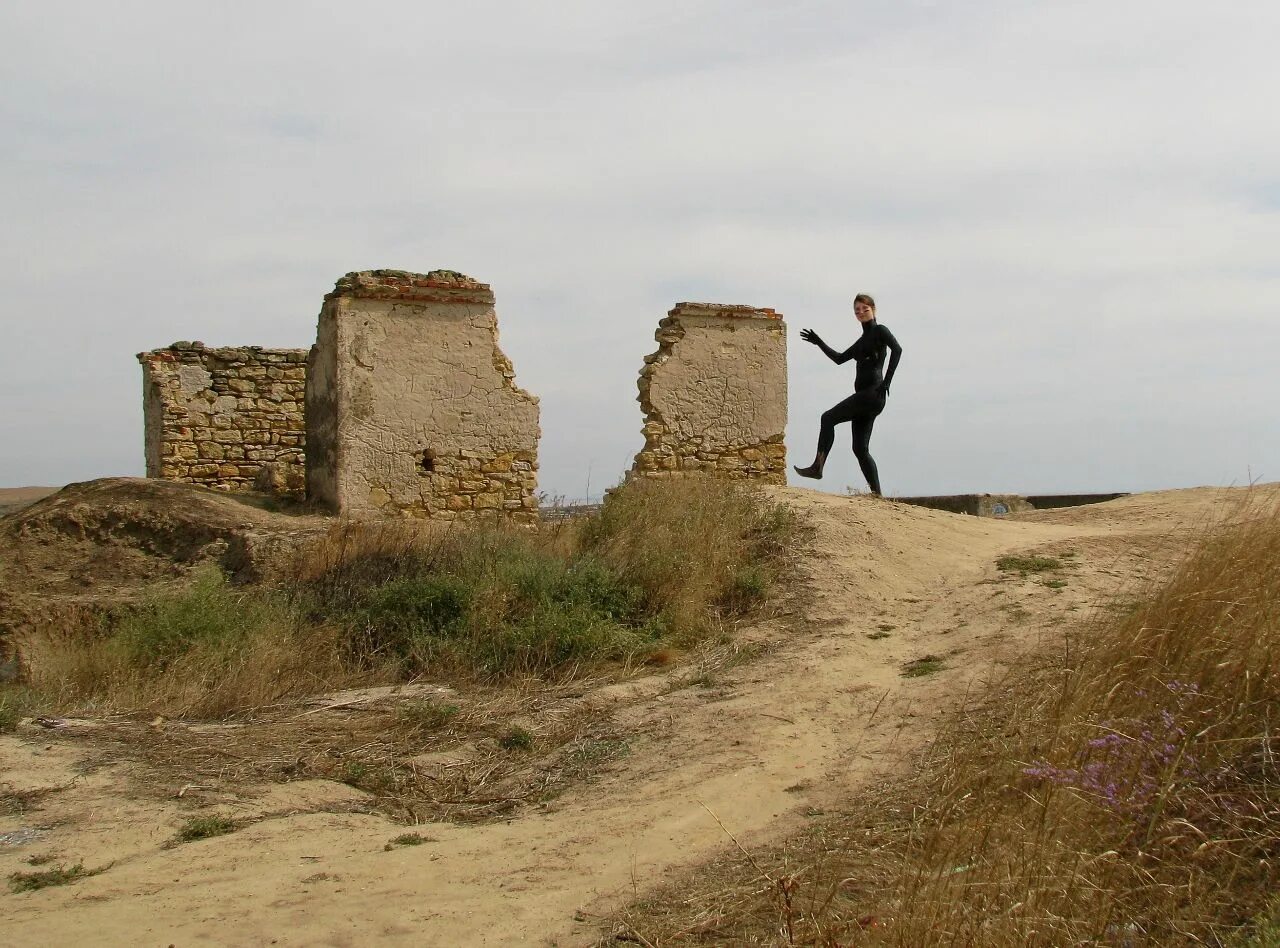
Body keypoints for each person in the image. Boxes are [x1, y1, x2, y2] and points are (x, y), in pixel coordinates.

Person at [793, 293, 902, 495]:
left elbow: (897, 349)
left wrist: (887, 382)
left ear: (873, 310)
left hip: (872, 394)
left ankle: (817, 467)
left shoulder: (880, 331)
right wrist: (819, 342)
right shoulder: (861, 341)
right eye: (857, 310)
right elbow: (839, 358)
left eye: (864, 309)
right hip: (867, 398)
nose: (861, 312)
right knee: (860, 449)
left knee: (827, 418)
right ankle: (877, 494)